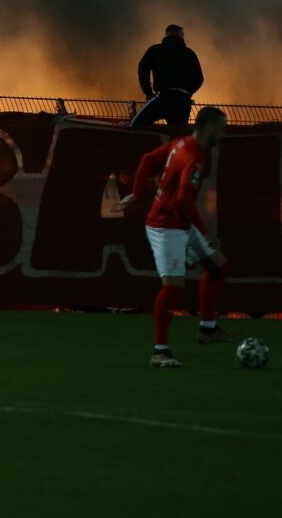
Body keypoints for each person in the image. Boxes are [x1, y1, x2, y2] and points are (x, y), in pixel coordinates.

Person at [112, 106, 231, 367]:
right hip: (166, 225)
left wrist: (136, 193)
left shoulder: (181, 143)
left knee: (217, 266)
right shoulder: (193, 157)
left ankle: (207, 329)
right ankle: (160, 351)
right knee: (173, 287)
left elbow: (146, 159)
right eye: (222, 128)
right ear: (210, 128)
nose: (223, 133)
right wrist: (206, 233)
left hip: (181, 221)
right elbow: (183, 200)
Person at [130, 24, 205, 129]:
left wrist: (148, 93)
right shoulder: (190, 54)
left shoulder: (155, 50)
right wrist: (188, 93)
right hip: (182, 101)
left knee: (136, 125)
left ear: (166, 34)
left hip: (163, 97)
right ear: (181, 35)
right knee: (177, 133)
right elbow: (199, 79)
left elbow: (143, 70)